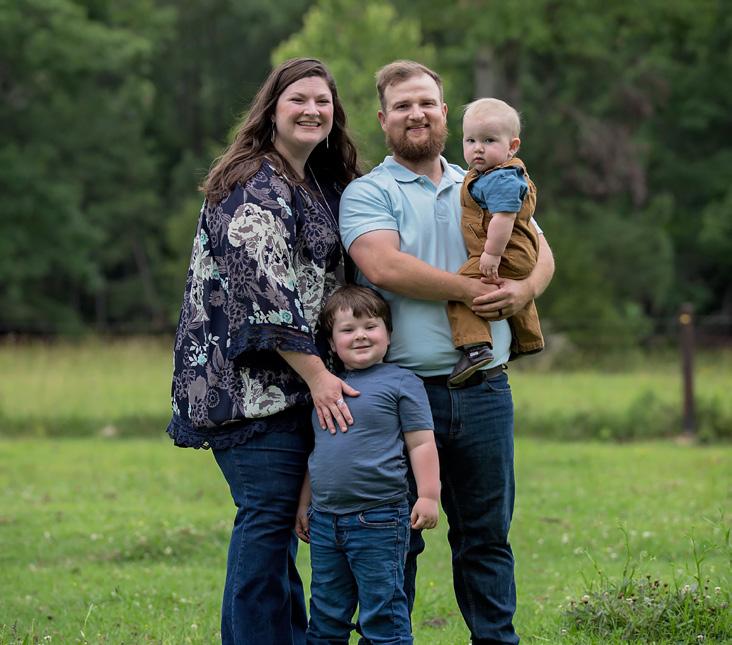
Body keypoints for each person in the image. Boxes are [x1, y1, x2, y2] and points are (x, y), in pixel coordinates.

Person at [339, 61, 555, 645]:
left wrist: (523, 292)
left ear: (443, 111)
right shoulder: (369, 192)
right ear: (383, 119)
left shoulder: (482, 179)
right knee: (393, 541)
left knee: (486, 540)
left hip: (485, 390)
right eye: (402, 106)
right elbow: (385, 266)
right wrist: (470, 289)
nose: (417, 114)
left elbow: (540, 250)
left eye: (426, 103)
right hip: (400, 394)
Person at [166, 58, 361, 645]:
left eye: (323, 101)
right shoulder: (253, 181)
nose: (312, 110)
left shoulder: (316, 182)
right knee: (268, 527)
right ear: (271, 109)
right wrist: (321, 377)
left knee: (278, 536)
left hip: (292, 388)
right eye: (298, 99)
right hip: (249, 394)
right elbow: (263, 292)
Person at [294, 285, 440, 644]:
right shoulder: (325, 388)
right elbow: (318, 452)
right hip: (325, 520)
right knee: (326, 614)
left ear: (388, 334)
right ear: (331, 343)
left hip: (379, 518)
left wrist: (428, 496)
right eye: (348, 329)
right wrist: (304, 504)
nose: (360, 335)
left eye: (370, 326)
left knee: (382, 612)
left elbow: (421, 442)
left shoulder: (402, 382)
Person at [447, 97, 544, 386]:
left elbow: (503, 218)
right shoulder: (487, 174)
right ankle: (528, 339)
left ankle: (476, 346)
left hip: (504, 252)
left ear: (512, 146)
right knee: (507, 289)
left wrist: (491, 253)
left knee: (462, 288)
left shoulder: (501, 178)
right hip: (517, 254)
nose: (478, 148)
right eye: (471, 140)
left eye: (489, 140)